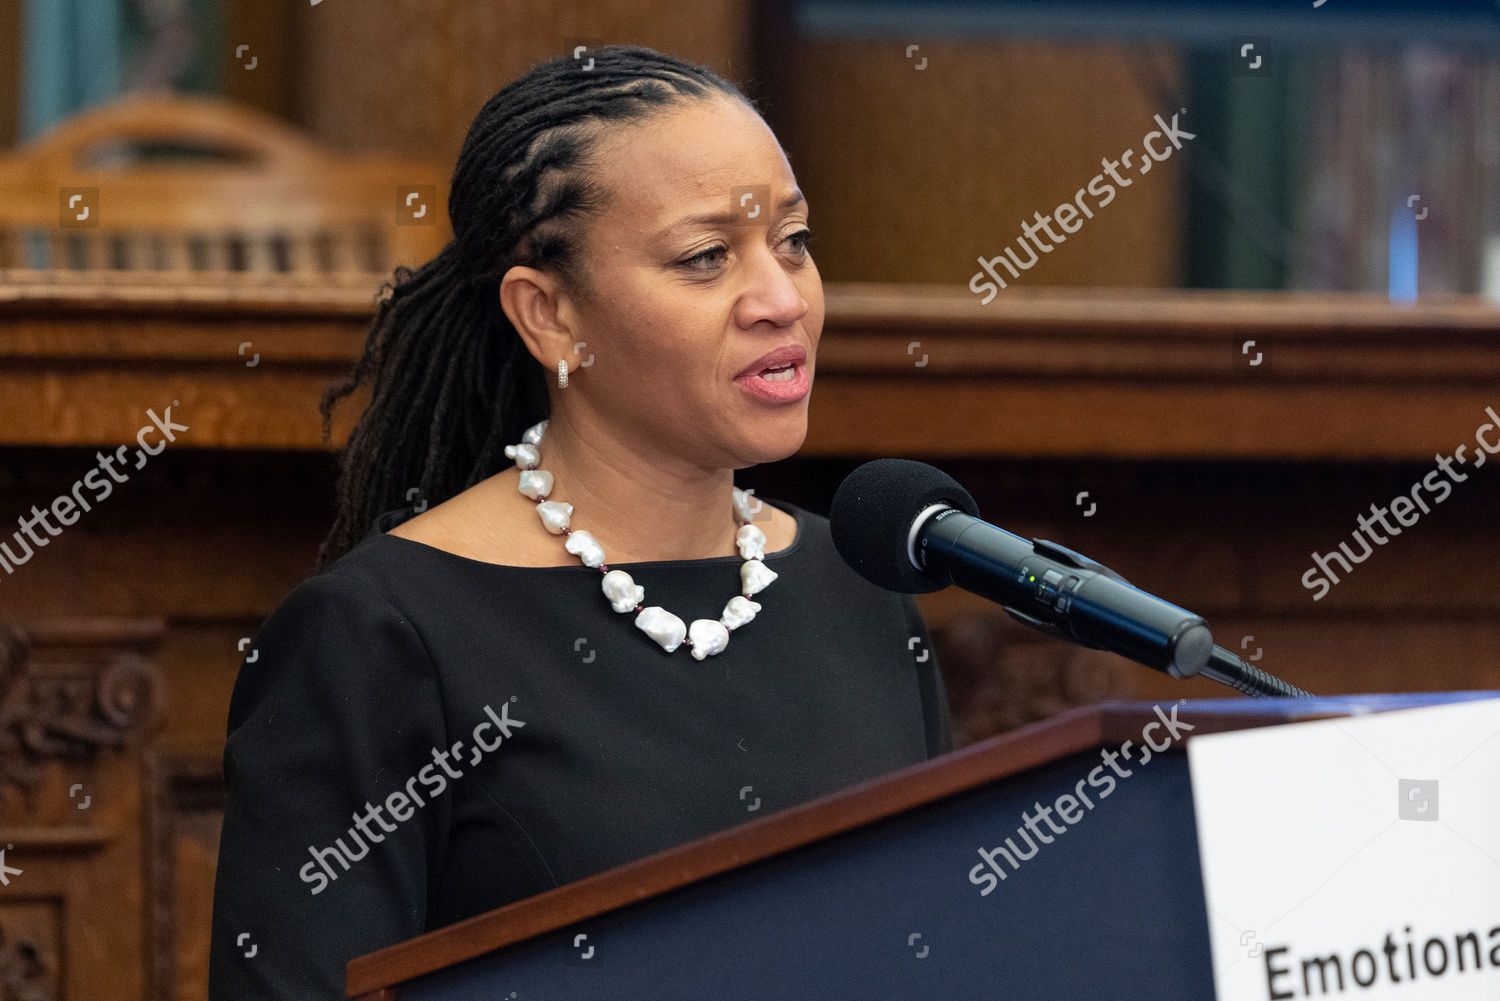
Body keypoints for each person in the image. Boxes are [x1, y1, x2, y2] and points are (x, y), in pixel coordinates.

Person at [208, 44, 953, 999]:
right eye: (706, 257)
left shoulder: (860, 589)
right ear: (550, 315)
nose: (782, 300)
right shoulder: (379, 638)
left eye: (795, 241)